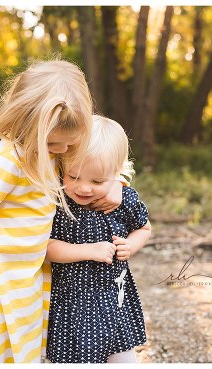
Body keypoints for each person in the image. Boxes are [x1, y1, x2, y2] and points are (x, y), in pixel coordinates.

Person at [0, 60, 123, 363]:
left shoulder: (55, 145)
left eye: (70, 144)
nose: (64, 152)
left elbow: (107, 153)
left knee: (23, 348)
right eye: (55, 144)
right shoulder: (6, 162)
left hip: (33, 274)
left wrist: (118, 181)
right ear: (29, 123)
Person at [45, 115, 153, 363]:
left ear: (116, 174)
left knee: (124, 360)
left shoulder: (123, 200)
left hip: (113, 300)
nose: (84, 188)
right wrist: (88, 251)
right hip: (71, 304)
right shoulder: (59, 203)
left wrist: (131, 245)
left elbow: (144, 228)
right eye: (73, 177)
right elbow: (46, 248)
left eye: (97, 181)